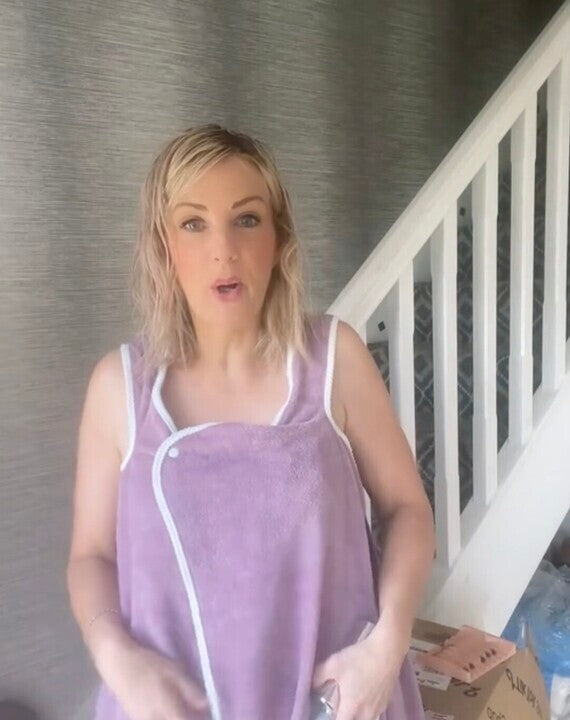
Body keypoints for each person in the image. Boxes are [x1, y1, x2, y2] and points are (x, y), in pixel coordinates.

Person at [66, 123, 435, 720]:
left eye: (246, 219)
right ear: (163, 246)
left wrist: (387, 647)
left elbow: (408, 509)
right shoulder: (119, 387)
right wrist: (117, 658)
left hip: (336, 703)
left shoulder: (335, 360)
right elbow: (90, 557)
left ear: (278, 236)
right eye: (194, 223)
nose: (224, 250)